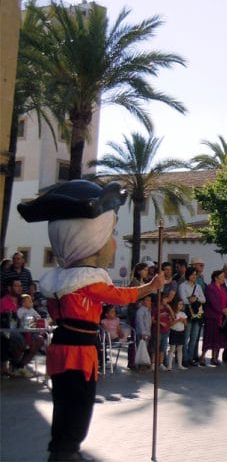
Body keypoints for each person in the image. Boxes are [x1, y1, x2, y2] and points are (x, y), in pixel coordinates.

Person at [17, 179, 166, 460]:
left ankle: (63, 450)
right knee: (78, 407)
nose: (112, 243)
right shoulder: (85, 281)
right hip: (77, 353)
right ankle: (65, 453)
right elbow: (120, 296)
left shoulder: (62, 280)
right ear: (91, 241)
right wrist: (150, 287)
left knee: (65, 405)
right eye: (109, 234)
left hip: (63, 348)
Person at [201, 269, 227, 366]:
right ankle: (203, 357)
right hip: (212, 316)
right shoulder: (210, 288)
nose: (223, 279)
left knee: (218, 338)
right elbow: (212, 302)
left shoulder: (223, 288)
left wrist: (226, 309)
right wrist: (222, 310)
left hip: (221, 317)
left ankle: (215, 358)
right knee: (209, 337)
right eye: (221, 277)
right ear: (215, 278)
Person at [178, 266, 205, 366]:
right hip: (187, 313)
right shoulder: (182, 286)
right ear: (188, 275)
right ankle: (184, 358)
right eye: (193, 274)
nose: (194, 276)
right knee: (186, 337)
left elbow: (204, 299)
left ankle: (190, 358)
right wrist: (190, 299)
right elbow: (183, 299)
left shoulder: (198, 286)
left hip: (197, 314)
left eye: (195, 275)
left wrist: (196, 298)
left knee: (194, 337)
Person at [167, 299, 187, 370]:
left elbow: (185, 324)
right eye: (179, 304)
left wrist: (183, 320)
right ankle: (169, 365)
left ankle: (180, 364)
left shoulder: (183, 314)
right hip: (174, 331)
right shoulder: (173, 314)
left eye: (182, 304)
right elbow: (171, 324)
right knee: (172, 348)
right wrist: (178, 320)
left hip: (181, 332)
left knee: (180, 348)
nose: (180, 305)